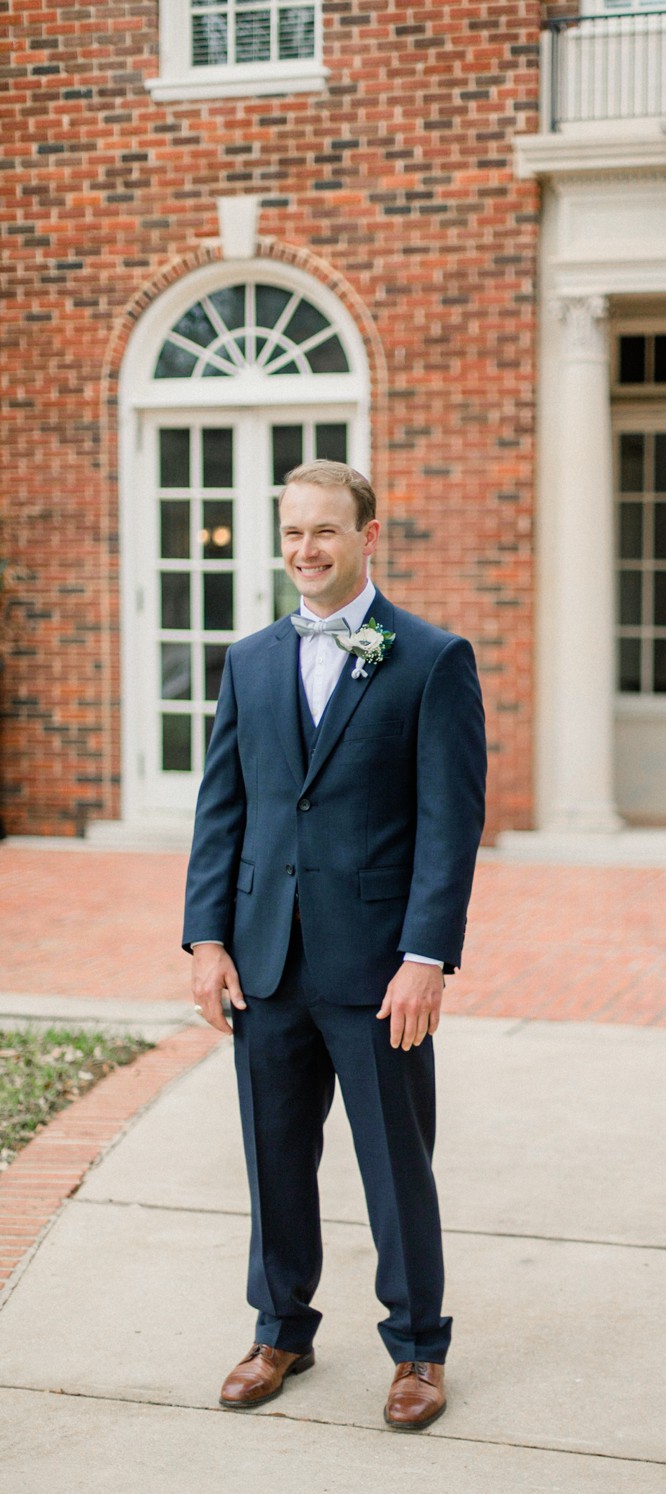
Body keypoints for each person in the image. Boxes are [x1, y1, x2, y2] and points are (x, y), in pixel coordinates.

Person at [182, 459, 485, 1433]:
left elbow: (448, 824)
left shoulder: (429, 659)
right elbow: (220, 808)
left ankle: (417, 1349)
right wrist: (205, 939)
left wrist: (426, 956)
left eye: (324, 531)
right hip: (265, 960)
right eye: (292, 533)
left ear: (367, 535)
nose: (305, 550)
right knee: (274, 1157)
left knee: (395, 1162)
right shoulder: (251, 660)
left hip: (376, 969)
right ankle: (281, 1329)